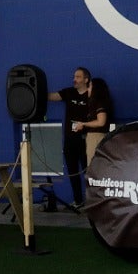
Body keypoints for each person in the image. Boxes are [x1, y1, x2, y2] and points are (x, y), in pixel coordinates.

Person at [46, 66, 94, 208]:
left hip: (85, 140)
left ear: (86, 79)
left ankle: (92, 202)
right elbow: (53, 96)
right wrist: (36, 91)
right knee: (72, 172)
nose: (75, 79)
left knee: (88, 171)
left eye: (78, 77)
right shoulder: (69, 92)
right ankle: (78, 200)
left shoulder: (92, 96)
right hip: (69, 140)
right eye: (74, 77)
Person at [81, 75, 114, 165]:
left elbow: (101, 122)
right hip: (96, 136)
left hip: (96, 137)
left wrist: (84, 124)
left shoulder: (100, 102)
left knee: (93, 165)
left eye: (90, 86)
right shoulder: (100, 102)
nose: (88, 89)